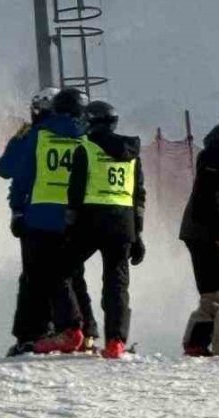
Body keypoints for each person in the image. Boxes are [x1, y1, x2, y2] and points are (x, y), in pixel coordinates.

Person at [37, 100, 146, 359]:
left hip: (91, 220)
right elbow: (138, 195)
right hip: (123, 225)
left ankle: (72, 328)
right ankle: (116, 341)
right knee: (117, 284)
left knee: (58, 269)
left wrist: (69, 224)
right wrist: (138, 235)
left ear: (92, 122)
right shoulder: (132, 153)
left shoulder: (85, 148)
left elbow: (75, 192)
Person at [0, 87, 100, 356]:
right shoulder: (88, 136)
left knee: (35, 278)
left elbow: (8, 169)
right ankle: (87, 332)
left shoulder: (36, 135)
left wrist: (17, 211)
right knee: (73, 275)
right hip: (78, 218)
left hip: (39, 216)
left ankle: (35, 334)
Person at [179, 103, 219, 356]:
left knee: (212, 293)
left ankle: (196, 344)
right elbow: (208, 196)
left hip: (208, 230)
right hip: (205, 231)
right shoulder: (216, 152)